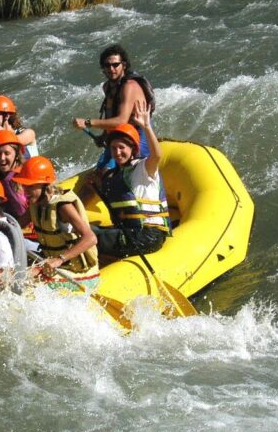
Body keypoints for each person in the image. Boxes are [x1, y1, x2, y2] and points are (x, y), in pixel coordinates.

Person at [92, 101, 171, 259]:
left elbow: (157, 155)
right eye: (114, 148)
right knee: (87, 230)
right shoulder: (112, 175)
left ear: (133, 150)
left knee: (89, 239)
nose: (117, 152)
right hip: (129, 233)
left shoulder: (143, 168)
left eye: (122, 148)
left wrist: (147, 127)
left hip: (148, 236)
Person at [13, 156, 100, 293]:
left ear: (45, 185)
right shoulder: (35, 204)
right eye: (24, 186)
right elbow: (15, 228)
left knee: (32, 286)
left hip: (81, 274)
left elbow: (91, 238)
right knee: (17, 279)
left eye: (30, 187)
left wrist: (60, 259)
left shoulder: (62, 206)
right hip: (56, 269)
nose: (25, 191)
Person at [72, 44, 156, 169]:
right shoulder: (107, 87)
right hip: (120, 135)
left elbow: (121, 121)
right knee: (101, 172)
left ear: (124, 65)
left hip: (138, 134)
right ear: (103, 69)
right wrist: (104, 137)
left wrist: (87, 122)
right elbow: (111, 116)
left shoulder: (129, 86)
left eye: (115, 65)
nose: (111, 69)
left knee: (131, 172)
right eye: (107, 65)